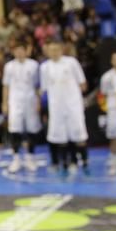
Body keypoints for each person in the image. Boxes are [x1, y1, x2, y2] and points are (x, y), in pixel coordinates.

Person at [40, 38, 88, 176]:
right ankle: (63, 163)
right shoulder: (44, 67)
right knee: (59, 136)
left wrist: (75, 98)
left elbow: (82, 83)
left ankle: (81, 162)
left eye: (56, 49)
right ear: (47, 51)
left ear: (61, 49)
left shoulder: (71, 63)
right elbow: (44, 89)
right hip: (56, 106)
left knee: (77, 133)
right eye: (51, 50)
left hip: (73, 105)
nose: (54, 52)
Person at [1, 41, 41, 173]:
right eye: (16, 50)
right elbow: (6, 86)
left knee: (31, 129)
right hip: (15, 101)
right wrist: (5, 103)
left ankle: (30, 157)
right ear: (13, 52)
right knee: (15, 129)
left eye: (21, 49)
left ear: (26, 50)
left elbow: (38, 86)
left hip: (30, 100)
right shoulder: (9, 66)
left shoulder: (34, 65)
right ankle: (16, 158)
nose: (19, 52)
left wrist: (38, 102)